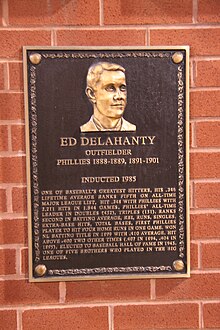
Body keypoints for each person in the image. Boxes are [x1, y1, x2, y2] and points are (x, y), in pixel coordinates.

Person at [80, 62, 136, 132]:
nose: (119, 96)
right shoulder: (84, 130)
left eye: (122, 88)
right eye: (111, 88)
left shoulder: (132, 129)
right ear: (92, 94)